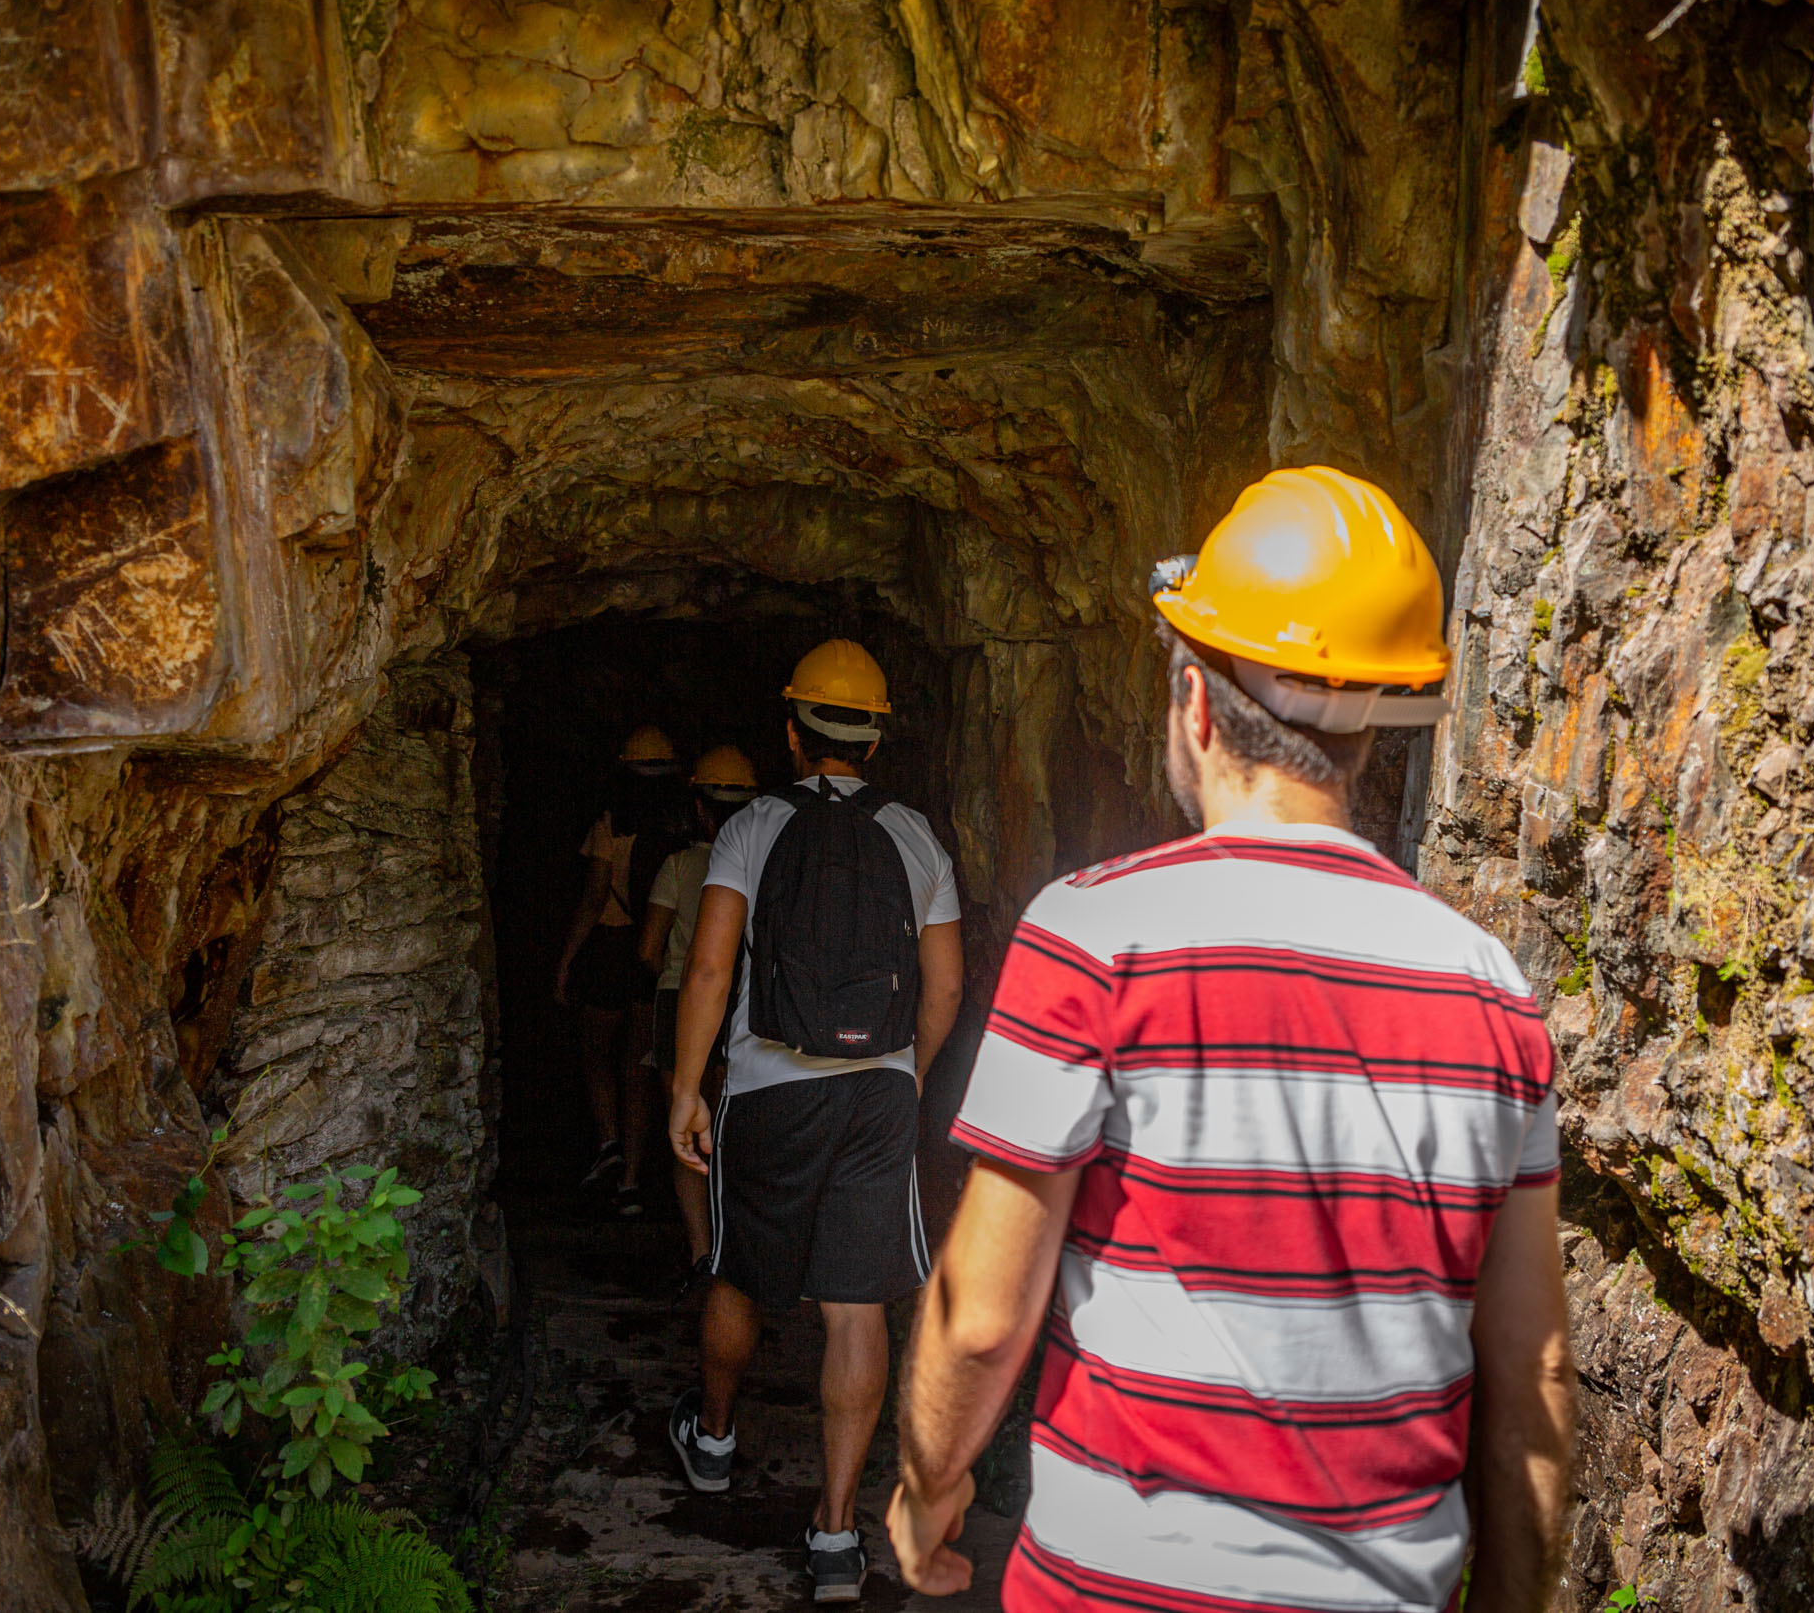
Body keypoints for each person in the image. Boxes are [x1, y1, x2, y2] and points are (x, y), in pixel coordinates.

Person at [887, 466, 1577, 1613]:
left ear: (1196, 708)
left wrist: (926, 1481)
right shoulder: (1490, 994)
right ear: (1366, 736)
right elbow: (1533, 1371)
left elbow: (981, 1317)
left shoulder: (1095, 937)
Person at [663, 640, 965, 1605]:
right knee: (855, 1303)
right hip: (876, 1087)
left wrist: (685, 1085)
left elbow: (710, 968)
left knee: (740, 1269)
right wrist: (905, 1074)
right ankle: (836, 1533)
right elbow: (947, 982)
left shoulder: (752, 824)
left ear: (791, 730)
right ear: (875, 735)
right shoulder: (917, 836)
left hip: (768, 1084)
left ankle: (712, 1438)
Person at [639, 743, 760, 1280]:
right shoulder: (770, 861)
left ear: (700, 808)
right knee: (733, 1126)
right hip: (746, 1002)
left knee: (686, 1130)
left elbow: (648, 947)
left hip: (678, 1000)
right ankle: (737, 1244)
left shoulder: (679, 866)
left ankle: (699, 1252)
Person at [556, 725, 685, 1216]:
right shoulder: (685, 830)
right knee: (638, 1069)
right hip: (660, 954)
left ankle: (608, 1143)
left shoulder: (611, 823)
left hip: (610, 950)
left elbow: (593, 899)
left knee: (594, 1054)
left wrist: (565, 963)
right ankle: (631, 1181)